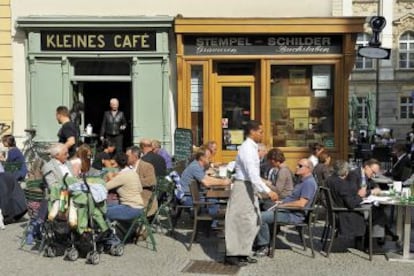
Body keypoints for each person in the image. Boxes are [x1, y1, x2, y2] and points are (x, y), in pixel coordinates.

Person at [225, 120, 278, 267]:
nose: (262, 134)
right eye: (260, 131)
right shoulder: (247, 148)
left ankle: (243, 252)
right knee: (238, 220)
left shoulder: (251, 148)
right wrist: (268, 191)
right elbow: (252, 174)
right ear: (252, 132)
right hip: (243, 187)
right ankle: (233, 254)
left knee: (252, 220)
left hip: (248, 186)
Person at [254, 158, 317, 257]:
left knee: (261, 217)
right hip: (287, 210)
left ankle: (264, 246)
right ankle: (265, 240)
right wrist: (282, 202)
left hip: (293, 215)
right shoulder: (303, 181)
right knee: (264, 208)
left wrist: (283, 205)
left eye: (300, 166)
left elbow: (301, 204)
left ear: (308, 169)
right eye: (297, 165)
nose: (297, 167)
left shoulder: (309, 183)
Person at [105, 153, 144, 221]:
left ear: (117, 164)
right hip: (139, 207)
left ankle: (108, 231)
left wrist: (109, 168)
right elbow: (140, 189)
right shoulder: (133, 173)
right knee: (108, 206)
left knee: (102, 211)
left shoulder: (122, 175)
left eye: (113, 164)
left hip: (130, 208)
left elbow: (105, 187)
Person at [126, 146, 157, 217]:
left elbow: (151, 181)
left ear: (135, 156)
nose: (125, 158)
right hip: (129, 198)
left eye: (127, 156)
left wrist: (133, 182)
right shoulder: (126, 167)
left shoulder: (147, 166)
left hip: (143, 198)